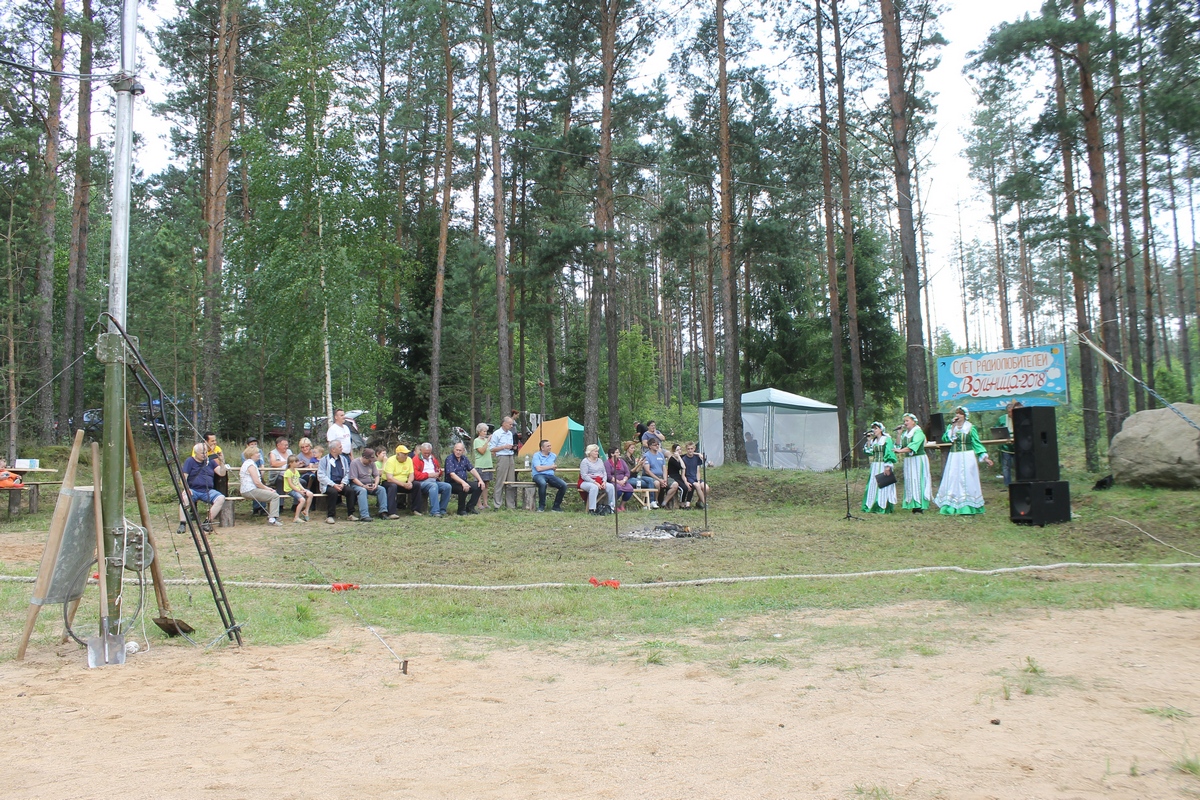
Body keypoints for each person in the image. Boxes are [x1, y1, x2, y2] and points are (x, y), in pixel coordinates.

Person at [935, 406, 994, 516]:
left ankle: (968, 506)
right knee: (953, 478)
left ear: (965, 416)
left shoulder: (970, 428)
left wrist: (985, 457)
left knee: (967, 479)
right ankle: (951, 506)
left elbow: (976, 443)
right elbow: (945, 439)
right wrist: (952, 427)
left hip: (967, 456)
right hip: (954, 457)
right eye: (957, 413)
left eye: (960, 413)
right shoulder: (951, 427)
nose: (958, 415)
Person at [180, 442, 226, 532]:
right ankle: (182, 524)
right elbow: (183, 478)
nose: (205, 455)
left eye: (206, 452)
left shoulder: (210, 461)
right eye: (202, 453)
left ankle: (207, 522)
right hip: (193, 489)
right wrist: (186, 488)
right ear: (196, 453)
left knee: (221, 498)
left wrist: (222, 462)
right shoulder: (190, 461)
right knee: (184, 497)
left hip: (207, 491)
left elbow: (222, 473)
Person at [895, 413, 931, 514]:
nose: (905, 423)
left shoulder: (918, 432)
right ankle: (912, 504)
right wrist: (899, 434)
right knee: (910, 480)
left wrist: (900, 451)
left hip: (918, 459)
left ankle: (920, 506)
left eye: (907, 421)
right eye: (904, 421)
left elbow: (913, 446)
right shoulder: (905, 434)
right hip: (909, 461)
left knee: (918, 480)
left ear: (914, 422)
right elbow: (898, 445)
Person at [239, 444, 281, 525]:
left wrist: (267, 489)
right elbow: (257, 482)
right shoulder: (250, 465)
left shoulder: (249, 463)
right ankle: (272, 519)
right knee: (275, 496)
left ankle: (272, 516)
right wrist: (267, 488)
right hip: (250, 490)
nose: (259, 454)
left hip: (249, 490)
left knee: (272, 494)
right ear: (251, 454)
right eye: (257, 453)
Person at [861, 422, 898, 514]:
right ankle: (872, 505)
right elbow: (869, 452)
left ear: (881, 429)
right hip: (875, 465)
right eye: (873, 428)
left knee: (884, 485)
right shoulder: (874, 441)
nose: (874, 430)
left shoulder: (886, 439)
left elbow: (889, 452)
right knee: (873, 484)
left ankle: (882, 506)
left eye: (876, 428)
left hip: (883, 465)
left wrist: (888, 466)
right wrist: (868, 440)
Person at [317, 440, 356, 524]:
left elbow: (348, 472)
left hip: (341, 483)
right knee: (333, 492)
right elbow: (320, 475)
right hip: (329, 484)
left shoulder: (343, 459)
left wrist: (343, 483)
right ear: (333, 449)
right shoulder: (324, 460)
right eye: (340, 447)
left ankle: (350, 514)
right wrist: (333, 484)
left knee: (350, 491)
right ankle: (330, 516)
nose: (342, 448)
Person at [348, 447, 388, 521]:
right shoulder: (354, 463)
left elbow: (376, 475)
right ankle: (364, 515)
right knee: (363, 491)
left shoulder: (372, 463)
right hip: (357, 485)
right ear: (364, 457)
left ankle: (383, 512)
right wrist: (363, 486)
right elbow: (354, 478)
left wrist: (376, 484)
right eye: (369, 460)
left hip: (369, 483)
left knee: (381, 489)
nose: (370, 462)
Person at [445, 441, 484, 516]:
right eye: (457, 450)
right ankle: (461, 510)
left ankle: (470, 507)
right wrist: (463, 483)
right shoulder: (450, 459)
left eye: (460, 450)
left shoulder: (464, 458)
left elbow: (472, 469)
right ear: (454, 449)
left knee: (479, 486)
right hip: (452, 483)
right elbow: (452, 474)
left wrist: (480, 480)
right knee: (464, 487)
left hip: (463, 481)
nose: (458, 452)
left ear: (463, 451)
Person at [414, 442, 452, 517]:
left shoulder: (433, 458)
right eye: (425, 453)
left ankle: (442, 509)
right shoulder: (416, 459)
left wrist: (439, 473)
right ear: (421, 450)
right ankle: (434, 511)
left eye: (428, 453)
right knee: (433, 486)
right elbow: (416, 475)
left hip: (434, 481)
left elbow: (438, 469)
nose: (427, 455)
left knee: (447, 486)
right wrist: (428, 475)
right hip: (422, 482)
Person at [382, 444, 423, 514]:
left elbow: (411, 474)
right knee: (393, 486)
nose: (406, 456)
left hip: (404, 482)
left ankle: (416, 510)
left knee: (417, 485)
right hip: (390, 483)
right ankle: (391, 512)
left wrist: (409, 482)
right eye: (404, 454)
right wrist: (403, 484)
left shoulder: (409, 460)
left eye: (407, 454)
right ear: (398, 454)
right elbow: (389, 478)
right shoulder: (391, 460)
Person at [489, 416, 518, 510]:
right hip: (502, 457)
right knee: (500, 481)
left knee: (510, 482)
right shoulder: (497, 433)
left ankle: (510, 505)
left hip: (510, 456)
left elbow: (509, 446)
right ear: (504, 424)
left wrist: (512, 447)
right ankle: (497, 504)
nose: (511, 426)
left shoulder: (510, 433)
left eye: (512, 424)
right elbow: (492, 448)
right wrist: (503, 447)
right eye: (510, 424)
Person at [530, 438, 567, 512]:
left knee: (563, 485)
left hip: (550, 475)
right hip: (538, 475)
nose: (550, 447)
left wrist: (553, 467)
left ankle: (556, 507)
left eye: (550, 446)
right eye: (548, 446)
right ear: (542, 448)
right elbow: (538, 468)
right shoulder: (536, 455)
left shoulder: (553, 455)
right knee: (542, 484)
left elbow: (553, 467)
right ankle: (541, 506)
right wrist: (550, 467)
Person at [579, 444, 615, 514]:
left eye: (597, 451)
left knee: (611, 486)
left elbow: (604, 473)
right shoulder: (585, 461)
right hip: (586, 481)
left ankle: (611, 507)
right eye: (595, 451)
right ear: (590, 452)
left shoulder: (600, 461)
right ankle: (592, 509)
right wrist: (594, 482)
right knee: (594, 487)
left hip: (600, 480)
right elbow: (584, 475)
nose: (597, 453)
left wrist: (604, 482)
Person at [642, 438, 674, 509]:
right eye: (655, 445)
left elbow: (664, 468)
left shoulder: (661, 455)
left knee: (675, 484)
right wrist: (660, 480)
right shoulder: (646, 455)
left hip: (662, 476)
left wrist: (665, 480)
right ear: (650, 446)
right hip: (651, 476)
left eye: (658, 444)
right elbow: (647, 471)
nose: (657, 446)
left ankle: (664, 503)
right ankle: (655, 501)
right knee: (657, 483)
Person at [998, 400, 1023, 486]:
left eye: (1012, 412)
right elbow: (996, 429)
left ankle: (1020, 482)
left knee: (1019, 465)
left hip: (1018, 445)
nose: (1010, 414)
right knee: (1006, 466)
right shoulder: (1002, 419)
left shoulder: (1020, 418)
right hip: (1006, 446)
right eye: (1009, 412)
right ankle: (1007, 484)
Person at [283, 454, 314, 523]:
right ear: (290, 463)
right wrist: (299, 491)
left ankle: (306, 511)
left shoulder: (296, 471)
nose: (298, 463)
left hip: (297, 489)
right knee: (302, 500)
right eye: (296, 462)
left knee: (310, 494)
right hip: (290, 490)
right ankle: (296, 517)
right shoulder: (288, 472)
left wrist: (303, 489)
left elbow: (298, 482)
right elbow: (290, 484)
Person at [605, 446, 635, 512]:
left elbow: (627, 472)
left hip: (623, 481)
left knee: (630, 489)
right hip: (613, 481)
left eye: (618, 452)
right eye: (617, 452)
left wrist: (624, 480)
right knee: (618, 489)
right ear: (612, 454)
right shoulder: (607, 463)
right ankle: (614, 505)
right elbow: (608, 476)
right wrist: (618, 482)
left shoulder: (622, 461)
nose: (619, 453)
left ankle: (622, 505)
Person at [680, 442, 707, 509]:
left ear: (694, 449)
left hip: (695, 477)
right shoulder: (684, 459)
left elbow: (698, 471)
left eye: (691, 449)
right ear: (686, 449)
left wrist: (698, 480)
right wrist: (686, 482)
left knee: (706, 488)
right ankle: (705, 504)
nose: (690, 450)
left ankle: (699, 502)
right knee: (697, 486)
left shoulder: (697, 458)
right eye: (688, 449)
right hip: (688, 478)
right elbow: (683, 473)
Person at [472, 422, 493, 509]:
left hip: (488, 465)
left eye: (486, 431)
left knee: (486, 484)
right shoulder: (476, 441)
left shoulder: (486, 441)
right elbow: (482, 451)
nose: (485, 433)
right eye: (484, 431)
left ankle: (485, 503)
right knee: (479, 485)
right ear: (479, 432)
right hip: (480, 465)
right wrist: (487, 441)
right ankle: (478, 503)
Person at [204, 431, 228, 496]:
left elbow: (222, 461)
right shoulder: (199, 448)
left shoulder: (217, 448)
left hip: (216, 470)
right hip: (204, 471)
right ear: (206, 442)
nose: (214, 442)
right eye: (212, 441)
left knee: (223, 473)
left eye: (215, 440)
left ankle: (222, 495)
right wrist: (211, 452)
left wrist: (221, 459)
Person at [666, 444, 687, 508]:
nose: (679, 451)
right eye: (677, 450)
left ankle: (685, 502)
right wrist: (679, 457)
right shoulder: (672, 459)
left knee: (688, 486)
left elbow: (688, 454)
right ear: (674, 451)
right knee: (684, 488)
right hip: (672, 477)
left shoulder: (680, 457)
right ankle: (681, 503)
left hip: (678, 476)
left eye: (680, 449)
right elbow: (683, 467)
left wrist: (698, 454)